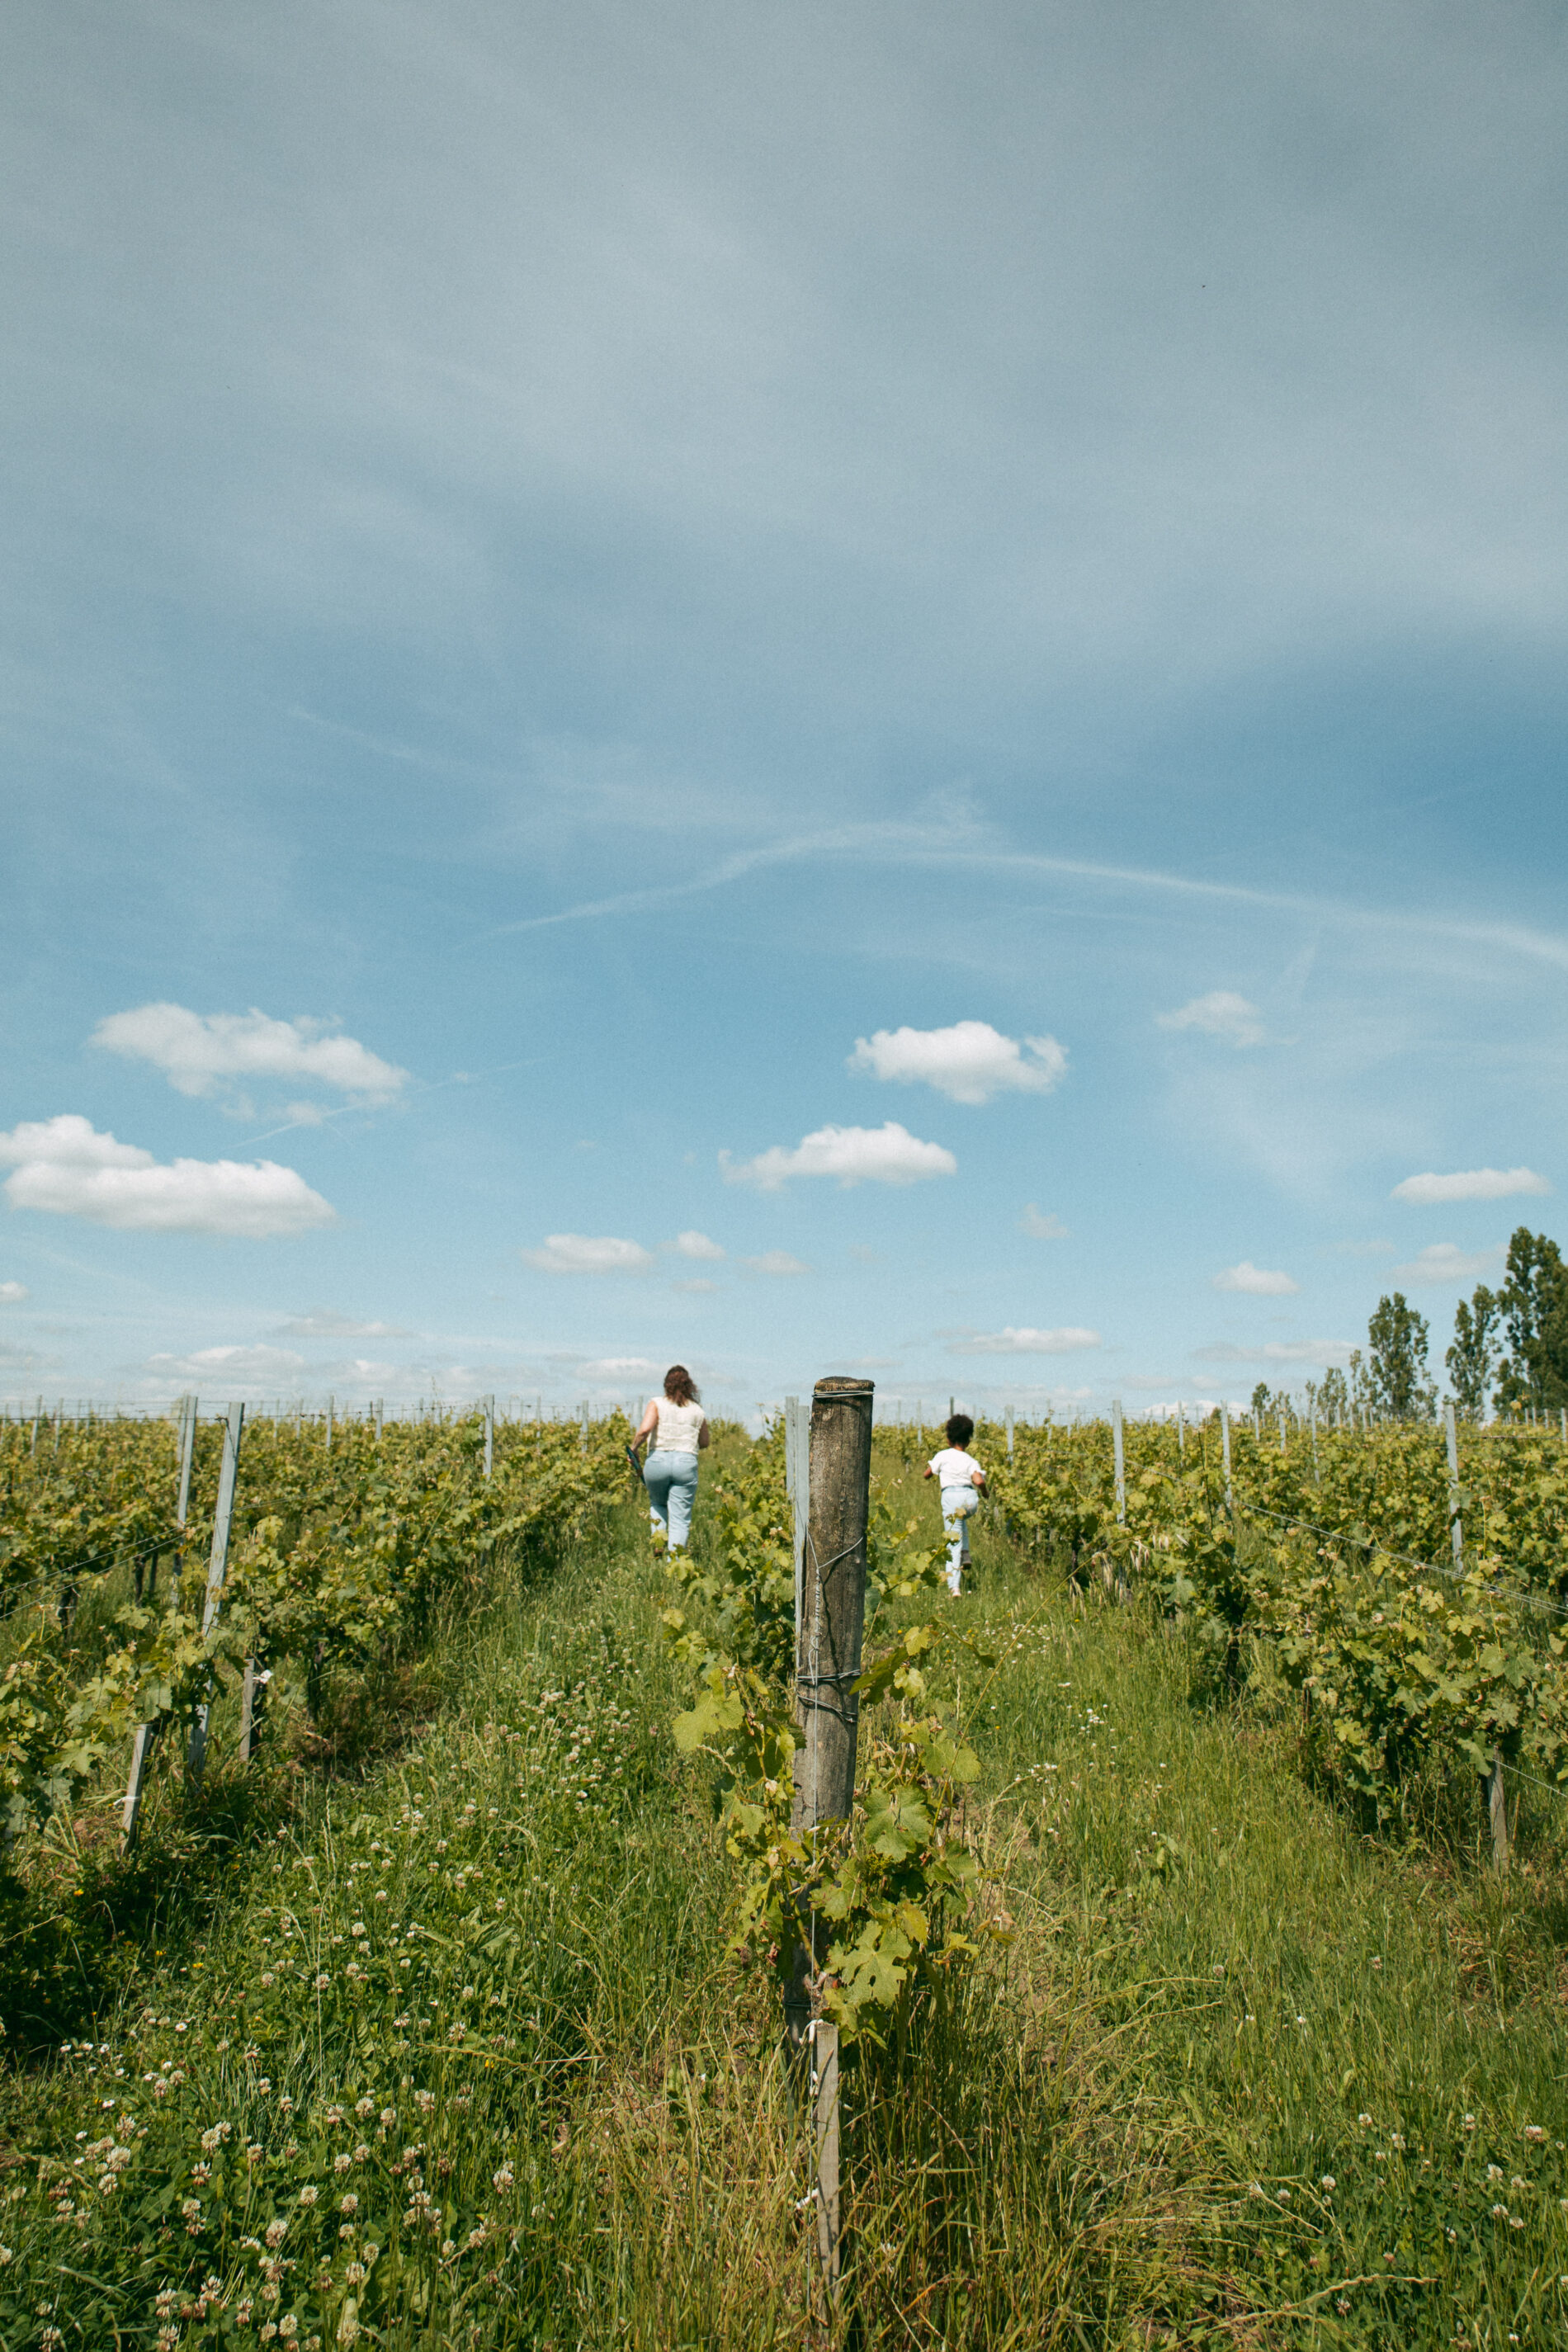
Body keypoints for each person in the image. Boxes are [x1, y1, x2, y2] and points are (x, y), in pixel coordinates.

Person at [630, 1365, 710, 1551]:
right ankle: (675, 1562)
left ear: (667, 1385)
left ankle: (658, 1542)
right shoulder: (697, 1410)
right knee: (680, 1518)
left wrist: (634, 1449)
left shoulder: (657, 1403)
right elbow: (705, 1442)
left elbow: (644, 1429)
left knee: (657, 1503)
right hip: (685, 1462)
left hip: (657, 1460)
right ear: (689, 1386)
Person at [924, 1411, 985, 1594]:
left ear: (948, 1439)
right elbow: (979, 1481)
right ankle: (966, 1553)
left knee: (953, 1543)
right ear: (968, 1441)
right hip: (970, 1499)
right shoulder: (970, 1460)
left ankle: (954, 1587)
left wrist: (933, 1471)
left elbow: (927, 1474)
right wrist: (986, 1493)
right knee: (962, 1520)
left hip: (951, 1497)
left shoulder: (943, 1455)